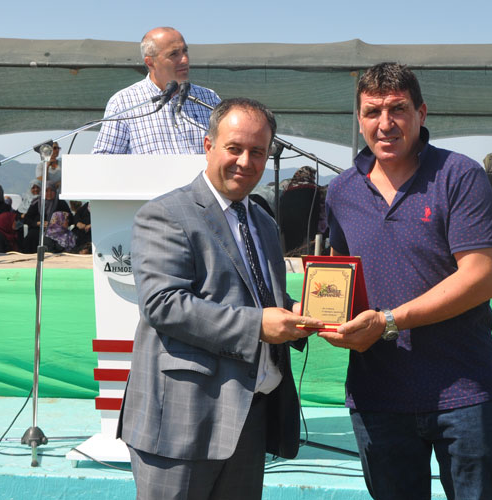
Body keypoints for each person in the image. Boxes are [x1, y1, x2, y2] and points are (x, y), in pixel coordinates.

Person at [118, 98, 323, 499]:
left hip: (249, 416)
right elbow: (164, 304)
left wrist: (299, 313)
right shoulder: (166, 213)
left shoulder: (263, 222)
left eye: (257, 151)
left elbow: (261, 295)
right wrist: (258, 325)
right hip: (182, 421)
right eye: (234, 148)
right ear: (209, 145)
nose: (246, 161)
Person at [321, 62, 492, 499]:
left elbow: (480, 277)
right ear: (359, 119)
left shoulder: (459, 175)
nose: (385, 123)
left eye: (397, 109)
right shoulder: (342, 191)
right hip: (377, 394)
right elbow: (339, 274)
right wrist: (326, 319)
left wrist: (389, 321)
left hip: (462, 390)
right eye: (372, 112)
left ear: (421, 113)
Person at [92, 27, 221, 154]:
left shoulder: (209, 98)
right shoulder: (123, 103)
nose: (185, 60)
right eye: (174, 54)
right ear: (150, 62)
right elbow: (103, 158)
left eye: (185, 51)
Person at [20, 181, 71, 253]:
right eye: (46, 191)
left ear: (55, 191)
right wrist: (38, 223)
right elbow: (27, 219)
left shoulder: (61, 203)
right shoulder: (37, 203)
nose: (49, 193)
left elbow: (70, 218)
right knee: (32, 236)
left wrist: (55, 223)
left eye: (51, 191)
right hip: (38, 229)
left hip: (56, 229)